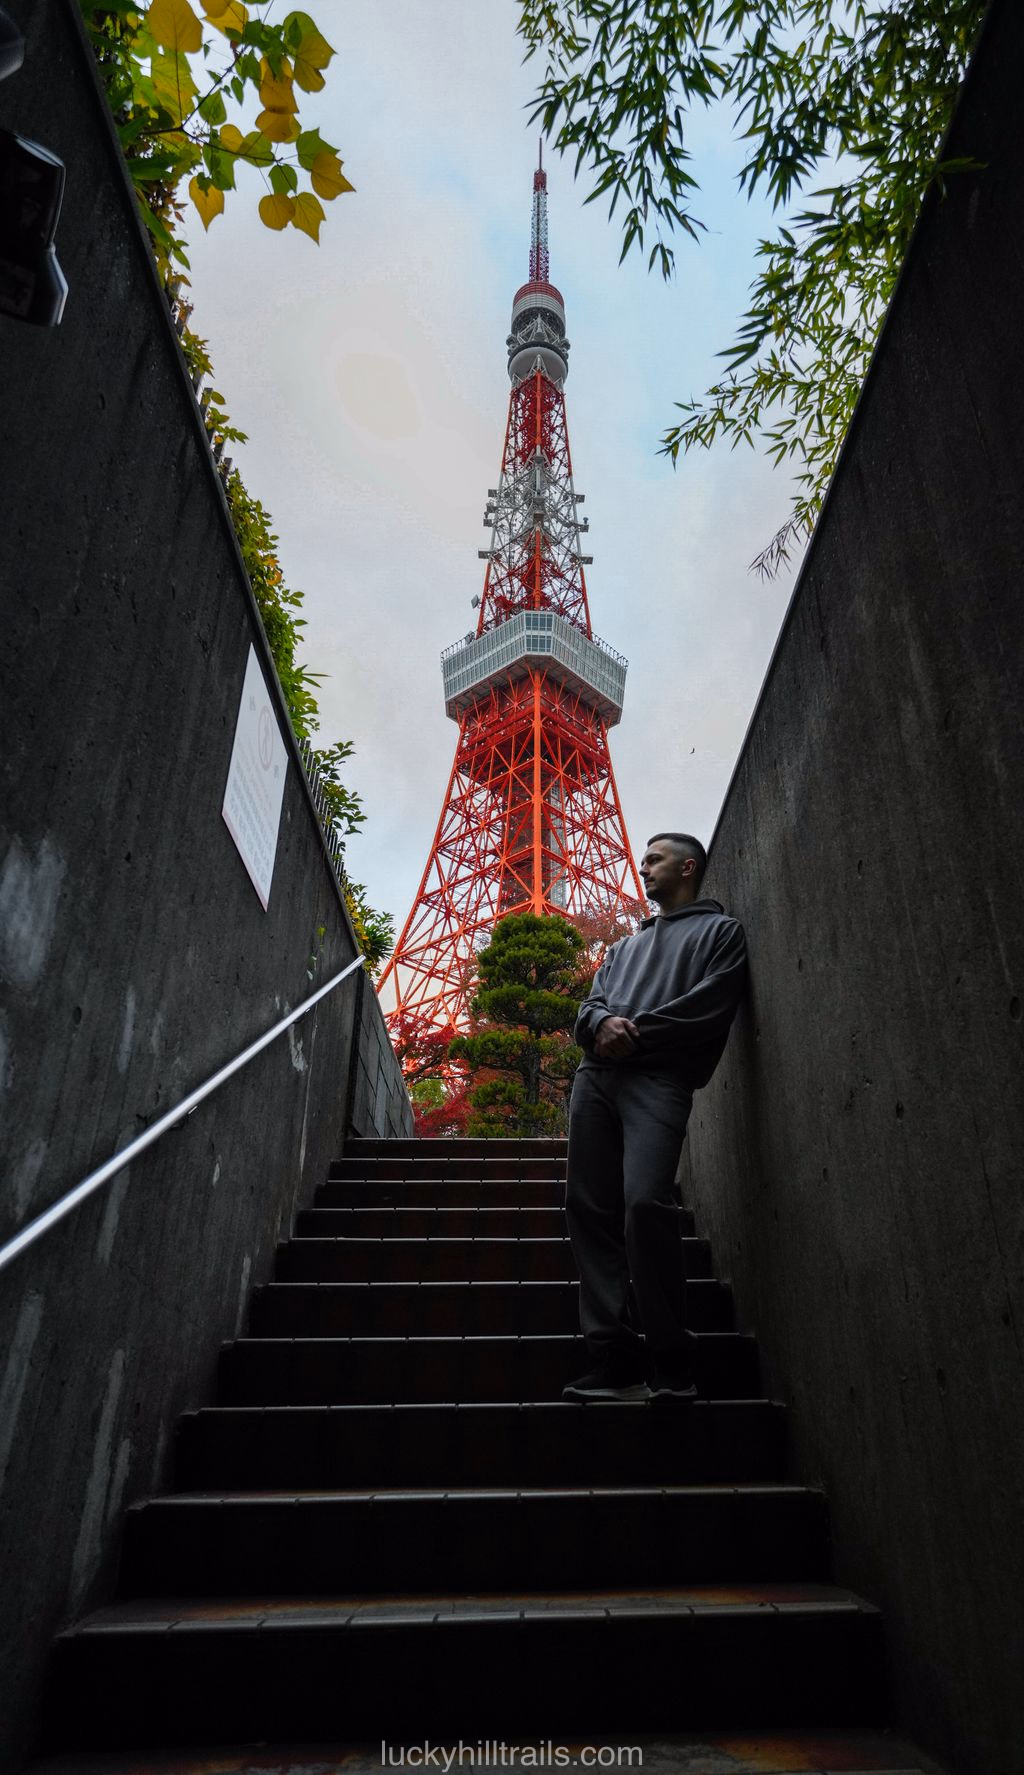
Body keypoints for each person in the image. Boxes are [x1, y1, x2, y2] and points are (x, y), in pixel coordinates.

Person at [562, 832, 747, 1404]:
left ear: (688, 867)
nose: (642, 867)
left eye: (654, 859)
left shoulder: (722, 934)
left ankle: (671, 1357)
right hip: (595, 1081)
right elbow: (589, 1007)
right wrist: (597, 1026)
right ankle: (612, 1355)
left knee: (644, 1201)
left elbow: (709, 1008)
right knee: (589, 1208)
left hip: (659, 1082)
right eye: (642, 859)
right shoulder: (621, 949)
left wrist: (628, 1035)